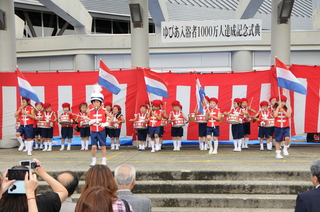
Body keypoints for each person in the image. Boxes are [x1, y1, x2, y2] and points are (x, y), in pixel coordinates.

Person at [0, 159, 67, 212]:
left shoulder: (2, 204)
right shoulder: (44, 202)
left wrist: (1, 190)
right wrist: (43, 174)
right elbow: (63, 192)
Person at [88, 84, 113, 166]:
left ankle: (104, 161)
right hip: (93, 131)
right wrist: (89, 122)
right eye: (94, 102)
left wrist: (106, 123)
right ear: (92, 103)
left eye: (97, 102)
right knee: (94, 147)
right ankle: (94, 161)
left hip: (101, 130)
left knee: (103, 146)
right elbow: (85, 119)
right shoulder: (90, 111)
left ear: (100, 103)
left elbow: (111, 117)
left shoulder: (104, 110)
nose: (96, 103)